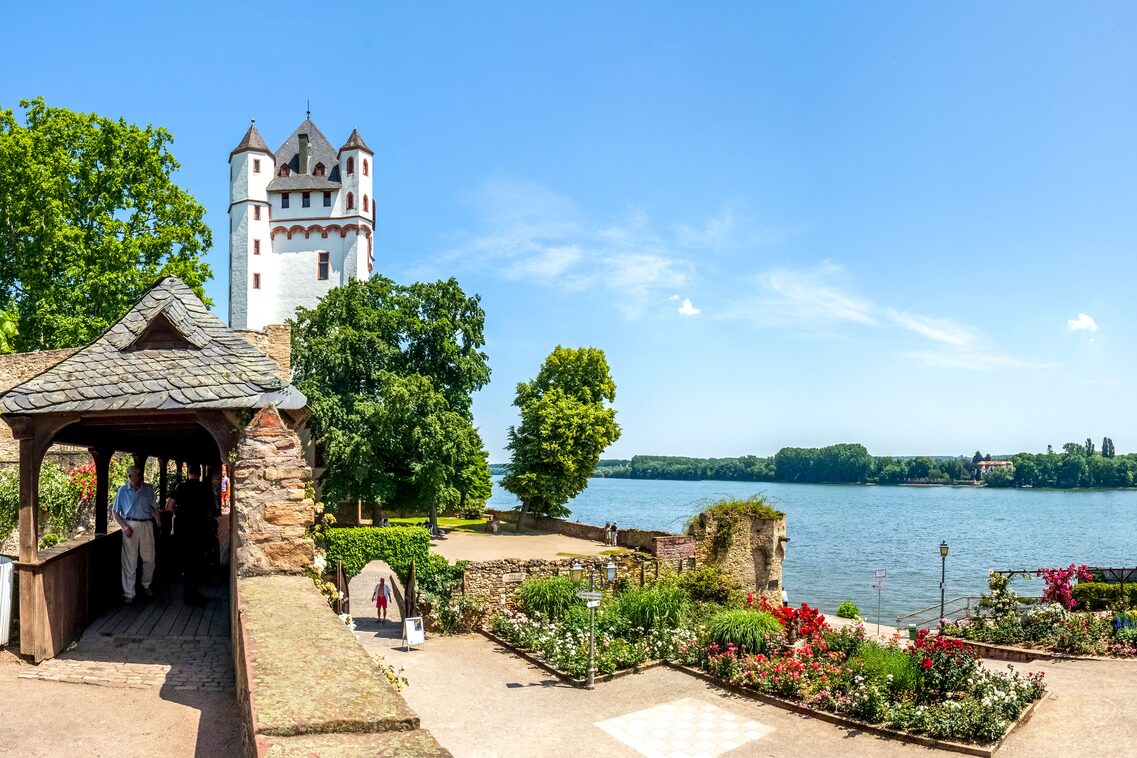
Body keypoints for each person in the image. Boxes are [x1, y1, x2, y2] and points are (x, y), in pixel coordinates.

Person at [166, 463, 213, 605]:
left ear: (189, 473)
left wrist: (179, 513)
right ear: (199, 474)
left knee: (186, 561)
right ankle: (193, 595)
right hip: (199, 529)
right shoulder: (204, 488)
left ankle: (188, 595)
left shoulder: (180, 487)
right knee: (197, 561)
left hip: (182, 529)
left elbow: (168, 507)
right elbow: (210, 509)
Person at [112, 466, 160, 604]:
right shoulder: (122, 491)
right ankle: (129, 593)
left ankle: (146, 584)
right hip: (130, 525)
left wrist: (159, 522)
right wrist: (124, 526)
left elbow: (154, 507)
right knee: (129, 560)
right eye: (130, 476)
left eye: (134, 476)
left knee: (149, 558)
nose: (132, 479)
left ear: (139, 475)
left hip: (146, 524)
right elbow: (115, 512)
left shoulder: (148, 489)